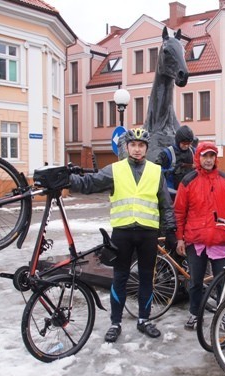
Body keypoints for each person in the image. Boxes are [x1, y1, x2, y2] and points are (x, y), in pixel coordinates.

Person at [69, 128, 177, 342]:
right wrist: (67, 178)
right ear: (127, 147)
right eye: (133, 145)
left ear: (146, 148)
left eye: (141, 145)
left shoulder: (156, 172)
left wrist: (171, 229)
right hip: (123, 234)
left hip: (148, 234)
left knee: (147, 279)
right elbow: (90, 184)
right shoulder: (115, 170)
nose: (137, 149)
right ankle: (115, 323)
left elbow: (166, 204)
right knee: (119, 279)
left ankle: (144, 320)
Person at [174, 142, 225, 330]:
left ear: (216, 158)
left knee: (222, 281)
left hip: (220, 239)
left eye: (212, 156)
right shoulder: (188, 181)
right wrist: (180, 237)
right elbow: (179, 211)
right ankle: (195, 315)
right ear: (198, 157)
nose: (208, 160)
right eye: (205, 156)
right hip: (195, 241)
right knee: (195, 282)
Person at [154, 125, 196, 200]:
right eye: (184, 143)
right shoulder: (167, 153)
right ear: (178, 141)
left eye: (188, 143)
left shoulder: (193, 152)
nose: (186, 146)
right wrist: (170, 172)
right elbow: (156, 170)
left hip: (189, 193)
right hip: (171, 195)